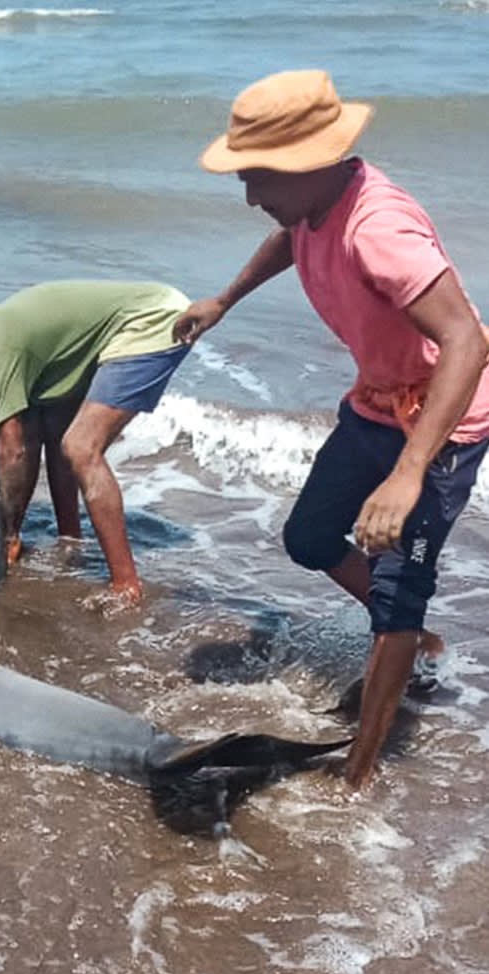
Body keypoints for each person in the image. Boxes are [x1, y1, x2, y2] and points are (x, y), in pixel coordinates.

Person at [173, 70, 489, 787]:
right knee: (309, 537)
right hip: (374, 402)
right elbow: (291, 236)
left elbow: (467, 342)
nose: (250, 195)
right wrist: (223, 300)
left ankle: (360, 771)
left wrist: (409, 474)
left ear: (312, 164)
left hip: (439, 423)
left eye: (259, 177)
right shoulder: (313, 205)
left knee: (396, 595)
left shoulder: (381, 229)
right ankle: (409, 639)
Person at [0, 280, 191, 604]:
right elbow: (31, 436)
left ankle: (126, 587)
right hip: (154, 309)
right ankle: (71, 540)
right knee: (58, 430)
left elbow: (12, 448)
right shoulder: (2, 328)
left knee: (80, 447)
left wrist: (8, 534)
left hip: (152, 320)